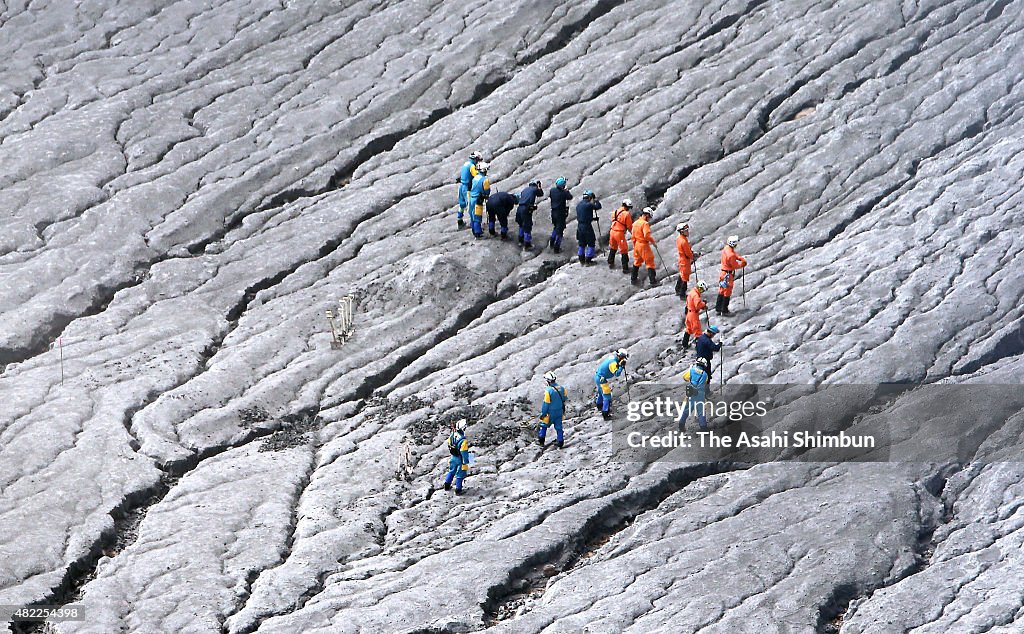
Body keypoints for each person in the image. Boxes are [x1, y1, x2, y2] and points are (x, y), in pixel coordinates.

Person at [594, 348, 628, 420]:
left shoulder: (613, 358)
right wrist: (621, 367)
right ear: (620, 356)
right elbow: (617, 374)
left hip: (598, 376)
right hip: (601, 379)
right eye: (623, 358)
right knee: (607, 395)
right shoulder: (613, 363)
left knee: (601, 392)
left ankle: (599, 406)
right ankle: (605, 413)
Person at [717, 234, 747, 316]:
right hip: (728, 275)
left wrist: (740, 258)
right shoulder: (731, 255)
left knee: (721, 290)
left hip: (722, 273)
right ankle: (724, 310)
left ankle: (718, 308)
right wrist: (742, 264)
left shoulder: (726, 248)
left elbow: (734, 254)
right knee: (727, 291)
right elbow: (735, 265)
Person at [678, 358, 711, 431]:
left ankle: (681, 425)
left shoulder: (691, 370)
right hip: (700, 394)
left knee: (687, 409)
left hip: (690, 392)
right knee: (701, 411)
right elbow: (704, 383)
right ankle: (703, 428)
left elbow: (685, 377)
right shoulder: (705, 374)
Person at [538, 371, 568, 448]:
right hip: (559, 411)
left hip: (550, 413)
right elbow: (564, 399)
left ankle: (541, 442)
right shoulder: (562, 388)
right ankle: (560, 442)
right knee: (559, 427)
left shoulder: (548, 391)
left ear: (548, 381)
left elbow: (546, 404)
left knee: (543, 425)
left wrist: (543, 414)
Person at [631, 207, 658, 287]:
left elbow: (633, 236)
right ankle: (653, 281)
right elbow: (646, 236)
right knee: (650, 262)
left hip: (637, 244)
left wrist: (635, 246)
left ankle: (633, 279)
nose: (649, 219)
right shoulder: (645, 224)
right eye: (649, 217)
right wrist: (653, 242)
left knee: (637, 262)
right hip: (643, 245)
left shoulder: (635, 223)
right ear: (646, 215)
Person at [443, 418, 471, 494]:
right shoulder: (463, 441)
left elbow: (449, 443)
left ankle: (447, 485)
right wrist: (466, 461)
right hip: (460, 459)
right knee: (460, 474)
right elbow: (464, 452)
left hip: (453, 457)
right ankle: (458, 490)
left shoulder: (453, 435)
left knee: (451, 471)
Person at [456, 151, 482, 229]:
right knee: (471, 207)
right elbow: (476, 175)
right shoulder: (472, 166)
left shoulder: (466, 164)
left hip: (462, 186)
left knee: (462, 204)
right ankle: (473, 224)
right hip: (467, 188)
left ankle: (459, 221)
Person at [516, 180, 544, 250]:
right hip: (526, 209)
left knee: (521, 224)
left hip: (519, 208)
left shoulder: (524, 190)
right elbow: (541, 194)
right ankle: (527, 244)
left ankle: (520, 240)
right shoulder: (534, 189)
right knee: (527, 226)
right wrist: (539, 187)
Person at [575, 190, 601, 265]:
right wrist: (596, 200)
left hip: (580, 226)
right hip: (587, 227)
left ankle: (581, 259)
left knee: (581, 243)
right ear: (589, 197)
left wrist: (593, 219)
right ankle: (588, 260)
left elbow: (583, 216)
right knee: (591, 242)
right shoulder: (588, 205)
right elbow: (598, 206)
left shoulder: (579, 205)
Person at [607, 199, 634, 272]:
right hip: (619, 233)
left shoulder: (615, 211)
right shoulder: (626, 214)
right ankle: (625, 268)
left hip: (612, 231)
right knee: (624, 249)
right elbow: (629, 226)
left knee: (613, 247)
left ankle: (610, 262)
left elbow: (613, 220)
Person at [548, 177, 573, 253]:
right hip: (560, 214)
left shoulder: (552, 191)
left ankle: (551, 242)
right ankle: (556, 247)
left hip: (553, 212)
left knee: (555, 227)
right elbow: (570, 197)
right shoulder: (564, 193)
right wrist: (566, 191)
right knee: (560, 231)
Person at [468, 162, 491, 238]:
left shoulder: (475, 177)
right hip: (478, 200)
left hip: (471, 198)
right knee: (477, 216)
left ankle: (474, 229)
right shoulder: (485, 180)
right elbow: (487, 191)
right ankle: (478, 233)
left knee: (472, 215)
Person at [682, 281, 709, 349]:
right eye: (702, 290)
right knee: (698, 332)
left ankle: (684, 344)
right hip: (694, 314)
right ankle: (699, 348)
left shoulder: (692, 291)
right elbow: (698, 305)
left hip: (689, 313)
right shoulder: (696, 295)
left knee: (689, 329)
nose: (702, 291)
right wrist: (704, 304)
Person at [675, 222, 698, 298]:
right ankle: (682, 293)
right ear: (682, 231)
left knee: (682, 274)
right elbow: (688, 253)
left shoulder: (679, 239)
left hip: (681, 260)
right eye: (686, 230)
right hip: (685, 261)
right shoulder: (684, 241)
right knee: (685, 277)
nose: (687, 232)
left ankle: (677, 289)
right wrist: (693, 256)